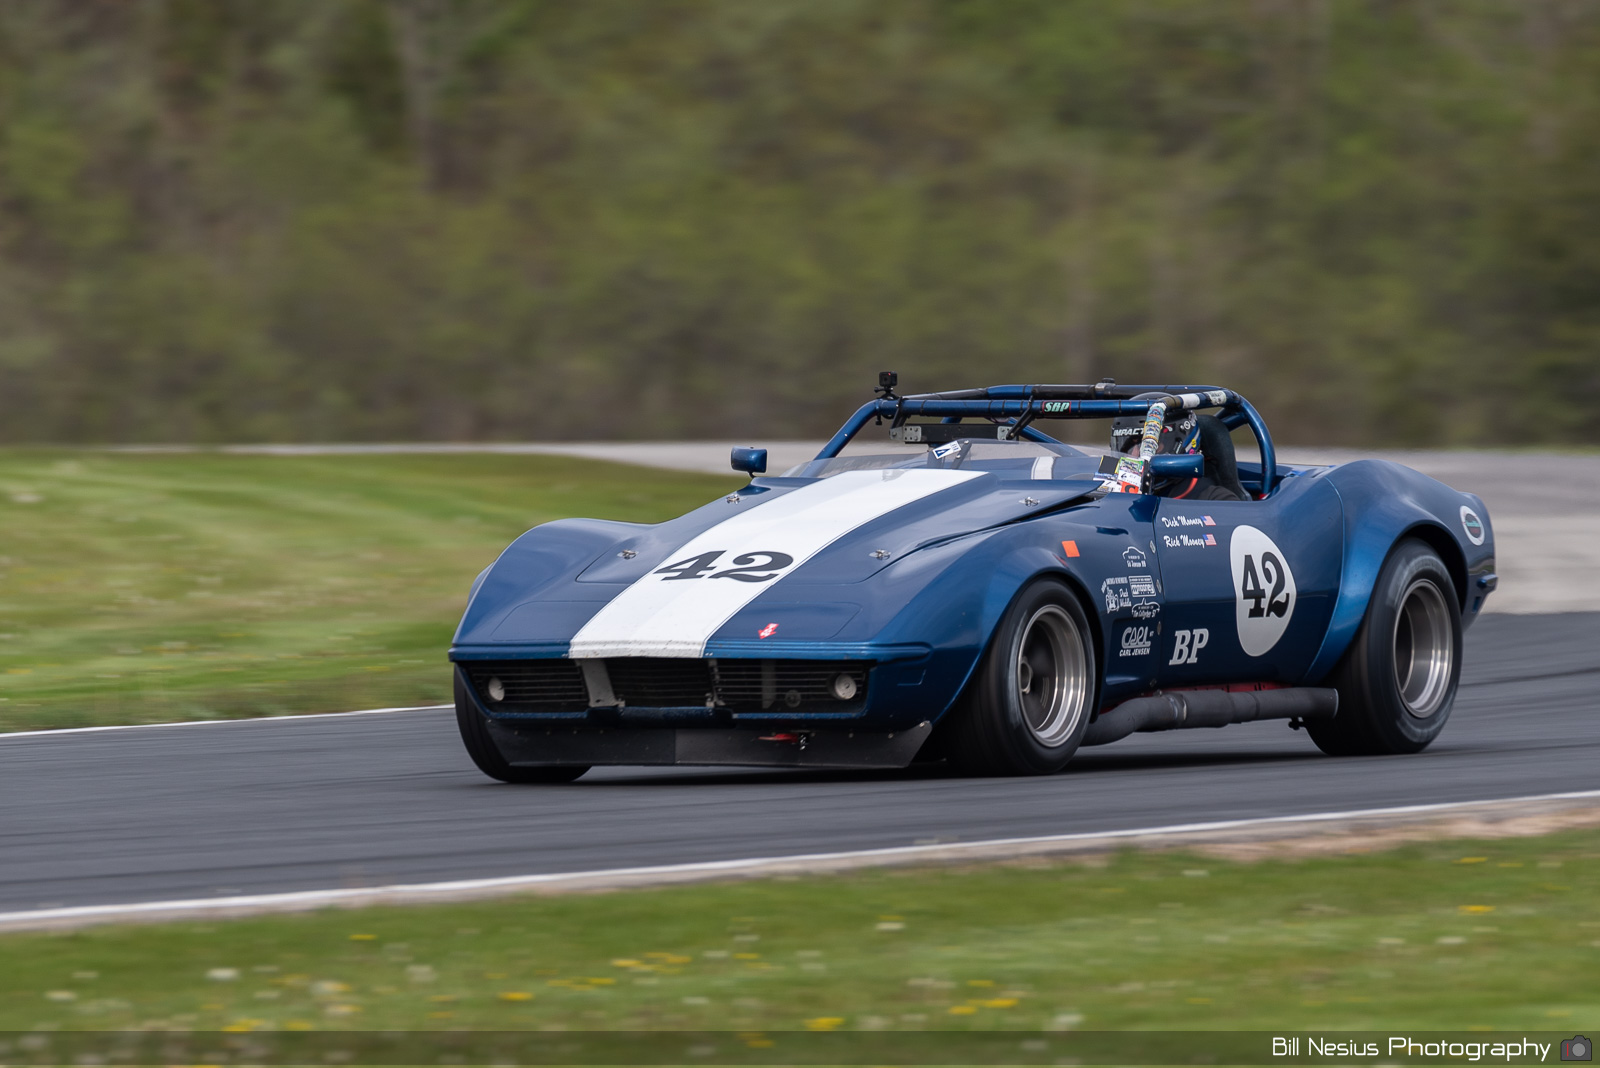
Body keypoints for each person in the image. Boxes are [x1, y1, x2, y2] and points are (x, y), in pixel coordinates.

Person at [1109, 407, 1250, 501]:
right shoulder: (1113, 496)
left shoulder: (1216, 500)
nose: (1135, 455)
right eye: (1129, 446)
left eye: (1152, 446)